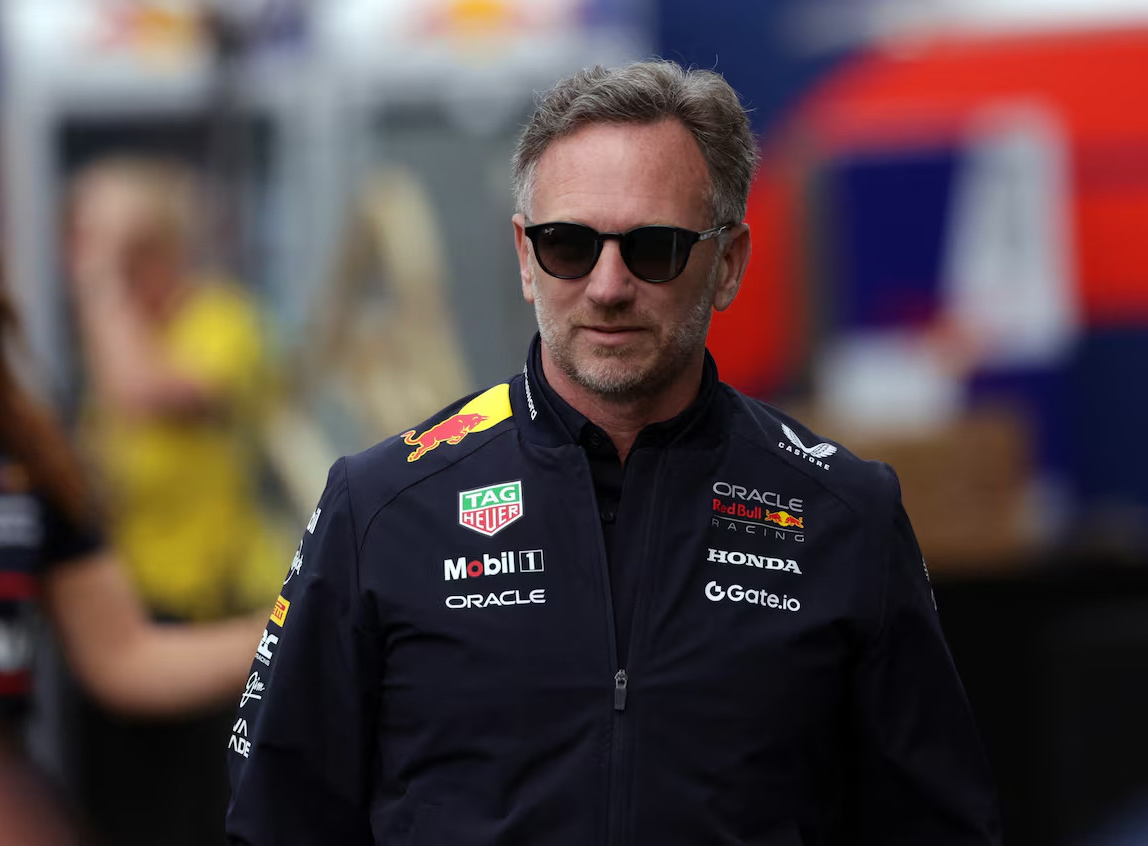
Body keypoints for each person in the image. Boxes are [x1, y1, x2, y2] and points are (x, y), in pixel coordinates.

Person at [226, 60, 1003, 844]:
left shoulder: (847, 514)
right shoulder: (380, 507)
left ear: (728, 263)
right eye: (568, 244)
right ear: (525, 257)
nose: (607, 285)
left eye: (653, 248)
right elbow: (275, 821)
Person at [64, 155, 285, 845]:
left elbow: (145, 394)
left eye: (125, 254)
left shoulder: (222, 322)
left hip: (209, 621)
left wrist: (98, 287)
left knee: (209, 818)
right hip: (124, 615)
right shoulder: (119, 341)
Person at [0, 267, 263, 830]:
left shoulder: (29, 456)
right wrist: (103, 288)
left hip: (199, 600)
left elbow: (122, 654)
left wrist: (311, 620)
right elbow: (134, 390)